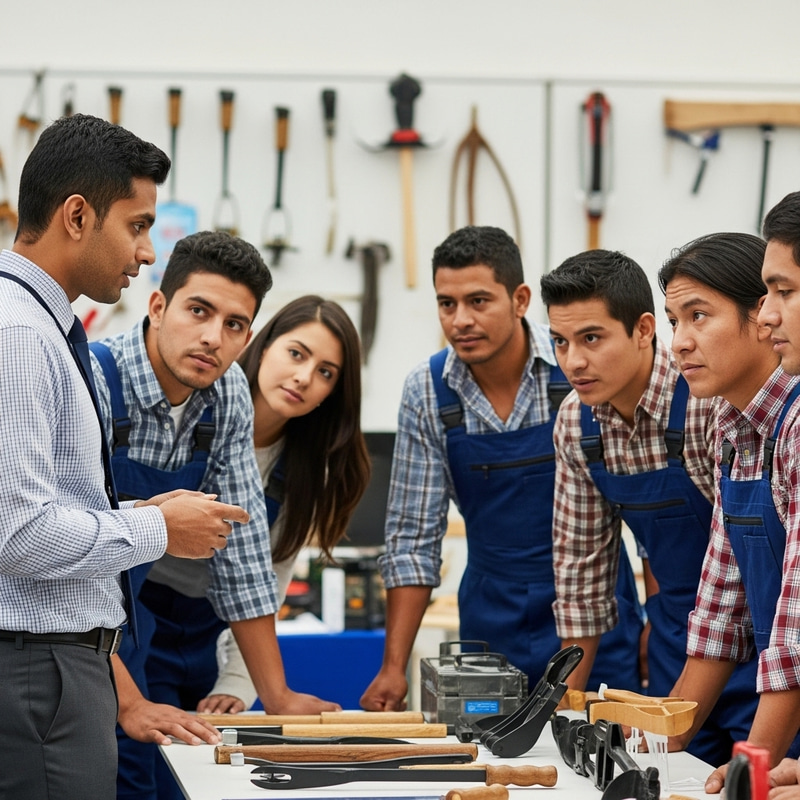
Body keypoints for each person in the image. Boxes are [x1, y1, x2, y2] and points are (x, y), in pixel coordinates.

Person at [0, 114, 247, 800]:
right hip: (37, 671)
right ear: (77, 216)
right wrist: (157, 530)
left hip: (58, 669)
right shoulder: (18, 336)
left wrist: (141, 509)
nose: (145, 252)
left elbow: (42, 508)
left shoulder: (44, 328)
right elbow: (16, 536)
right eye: (137, 226)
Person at [88, 239, 353, 800]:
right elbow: (66, 559)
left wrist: (274, 694)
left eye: (235, 325)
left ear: (248, 339)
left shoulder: (227, 391)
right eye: (199, 311)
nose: (213, 337)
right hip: (70, 631)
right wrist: (129, 701)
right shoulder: (92, 380)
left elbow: (245, 553)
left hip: (153, 629)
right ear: (158, 306)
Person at [360, 225, 643, 712]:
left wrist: (658, 622)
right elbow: (412, 539)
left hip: (597, 613)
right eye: (446, 304)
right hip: (491, 624)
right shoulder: (428, 392)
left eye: (478, 301)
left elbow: (649, 508)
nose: (460, 320)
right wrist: (392, 666)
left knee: (601, 762)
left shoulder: (578, 372)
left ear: (519, 299)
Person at [540, 247, 759, 766]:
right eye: (560, 342)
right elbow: (581, 577)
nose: (573, 361)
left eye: (591, 338)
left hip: (760, 646)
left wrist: (677, 718)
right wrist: (563, 710)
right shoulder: (577, 422)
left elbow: (737, 572)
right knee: (663, 779)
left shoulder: (709, 401)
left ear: (642, 330)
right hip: (675, 641)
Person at [660, 225, 800, 790]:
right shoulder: (733, 428)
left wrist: (749, 770)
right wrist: (654, 747)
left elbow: (795, 632)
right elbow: (720, 616)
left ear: (758, 317)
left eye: (699, 316)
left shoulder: (793, 428)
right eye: (674, 322)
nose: (680, 343)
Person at [196, 294, 371, 714]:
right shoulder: (196, 415)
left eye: (325, 372)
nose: (304, 377)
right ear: (263, 343)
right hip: (125, 628)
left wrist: (238, 681)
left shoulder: (303, 473)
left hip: (203, 641)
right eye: (296, 354)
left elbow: (267, 584)